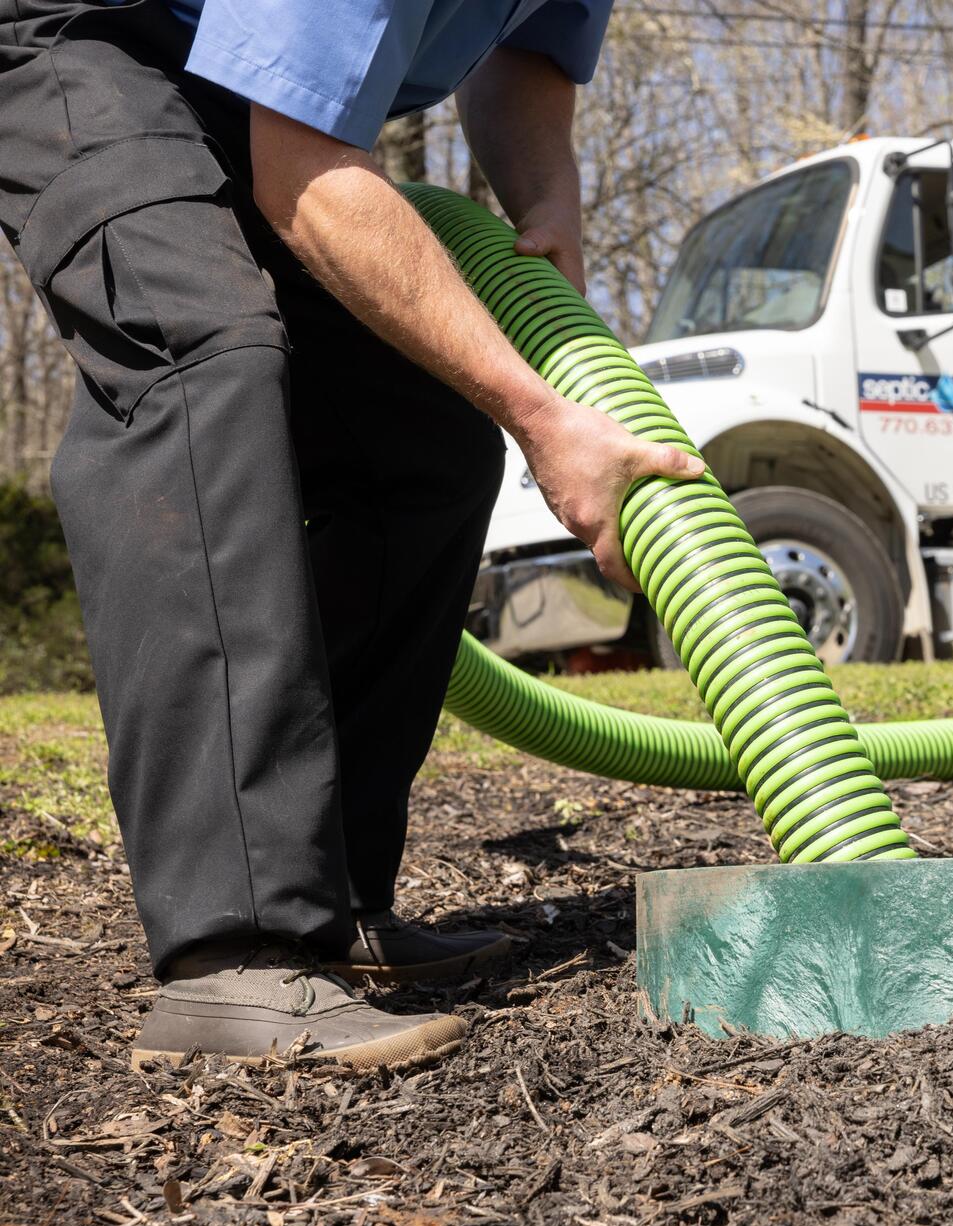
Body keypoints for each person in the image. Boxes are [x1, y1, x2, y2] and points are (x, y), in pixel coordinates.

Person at [0, 0, 703, 1070]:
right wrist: (544, 417)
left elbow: (529, 51)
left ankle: (330, 900)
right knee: (200, 349)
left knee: (425, 438)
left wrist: (548, 196)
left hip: (238, 86)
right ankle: (234, 950)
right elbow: (307, 173)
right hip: (87, 33)